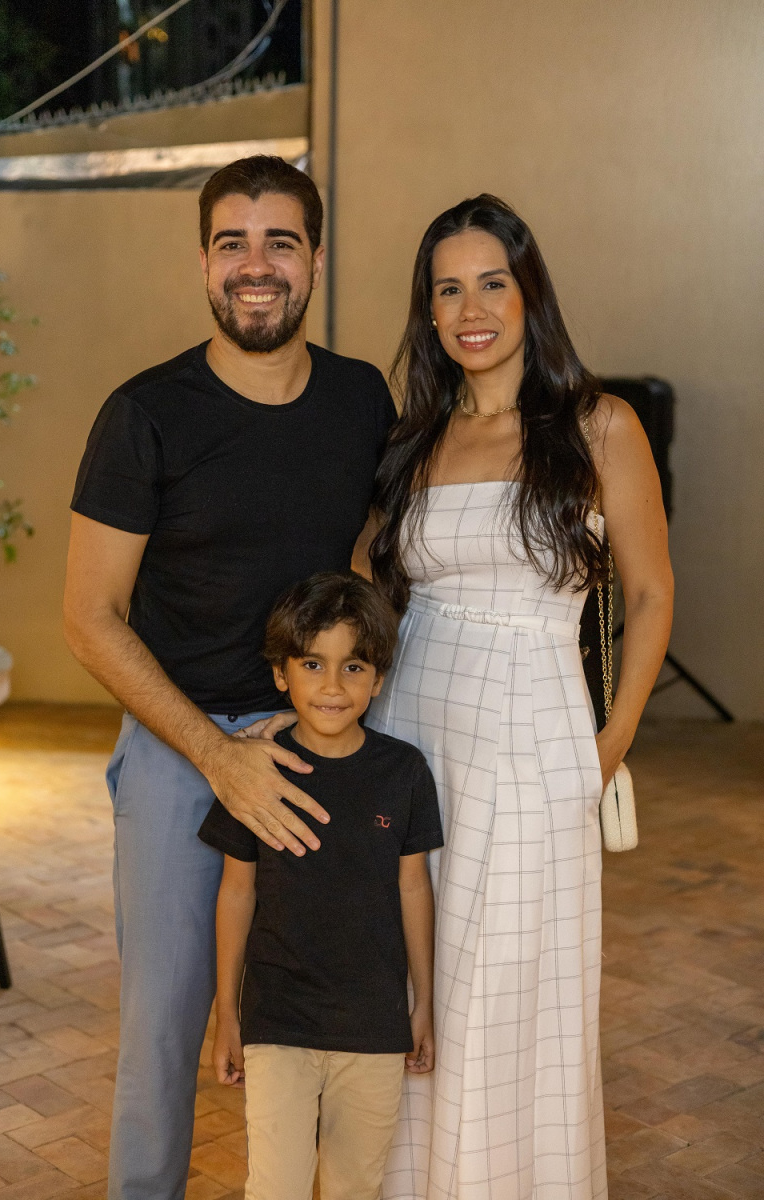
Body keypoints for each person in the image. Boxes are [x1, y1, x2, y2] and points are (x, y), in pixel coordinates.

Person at [62, 156, 396, 1199]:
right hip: (182, 749)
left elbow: (372, 554)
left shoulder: (360, 399)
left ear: (316, 260)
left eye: (279, 242)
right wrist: (217, 756)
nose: (256, 265)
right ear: (203, 263)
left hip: (321, 738)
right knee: (164, 1027)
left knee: (321, 1018)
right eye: (232, 244)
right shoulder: (144, 414)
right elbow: (88, 617)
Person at [358, 195, 674, 1199]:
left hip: (534, 741)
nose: (471, 309)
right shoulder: (414, 439)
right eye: (447, 289)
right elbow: (363, 581)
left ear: (530, 293)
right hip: (411, 732)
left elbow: (652, 593)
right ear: (428, 311)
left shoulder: (598, 426)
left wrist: (607, 746)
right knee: (414, 979)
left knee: (505, 991)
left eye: (492, 282)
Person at [198, 572, 443, 1200]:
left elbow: (414, 889)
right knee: (274, 1187)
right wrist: (227, 1013)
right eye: (313, 664)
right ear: (281, 674)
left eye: (353, 667)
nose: (333, 686)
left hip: (373, 1026)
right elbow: (236, 893)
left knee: (353, 1187)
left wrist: (423, 1003)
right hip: (278, 1020)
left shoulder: (403, 772)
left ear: (378, 679)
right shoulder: (254, 770)